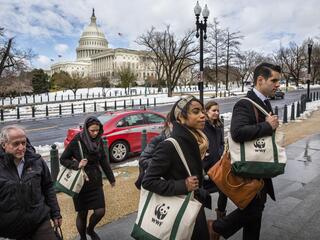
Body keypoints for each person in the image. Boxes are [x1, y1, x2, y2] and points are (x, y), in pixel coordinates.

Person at [208, 62, 281, 240]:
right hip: (249, 170)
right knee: (254, 210)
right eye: (274, 80)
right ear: (260, 80)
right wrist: (267, 126)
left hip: (259, 167)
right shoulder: (245, 104)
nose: (278, 85)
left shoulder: (264, 102)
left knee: (254, 214)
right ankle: (215, 227)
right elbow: (237, 132)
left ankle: (217, 228)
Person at [142, 95, 211, 240]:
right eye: (196, 111)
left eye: (203, 111)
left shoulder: (198, 142)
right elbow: (148, 181)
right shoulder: (169, 145)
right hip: (179, 210)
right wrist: (183, 185)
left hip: (194, 207)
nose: (203, 115)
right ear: (181, 117)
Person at [0, 125, 62, 240]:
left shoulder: (36, 161)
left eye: (23, 143)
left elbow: (48, 187)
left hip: (39, 221)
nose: (21, 147)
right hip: (10, 229)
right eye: (16, 144)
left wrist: (55, 213)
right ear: (4, 145)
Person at [60, 116, 116, 240]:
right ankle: (83, 237)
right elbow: (63, 159)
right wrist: (77, 164)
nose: (95, 133)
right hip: (81, 182)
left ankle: (90, 229)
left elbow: (103, 160)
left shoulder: (99, 140)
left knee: (100, 211)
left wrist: (111, 178)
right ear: (86, 129)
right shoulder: (77, 140)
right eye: (92, 131)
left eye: (97, 130)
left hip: (95, 180)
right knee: (82, 213)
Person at [203, 101, 228, 218]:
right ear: (206, 111)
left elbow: (222, 142)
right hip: (206, 166)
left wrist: (220, 150)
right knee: (202, 194)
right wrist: (205, 154)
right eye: (213, 110)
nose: (216, 113)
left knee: (224, 190)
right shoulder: (202, 126)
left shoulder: (219, 125)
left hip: (218, 164)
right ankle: (199, 219)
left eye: (218, 110)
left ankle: (220, 217)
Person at [134, 113, 172, 189]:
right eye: (174, 122)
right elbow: (143, 160)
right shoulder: (159, 140)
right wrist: (160, 163)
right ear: (168, 123)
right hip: (159, 183)